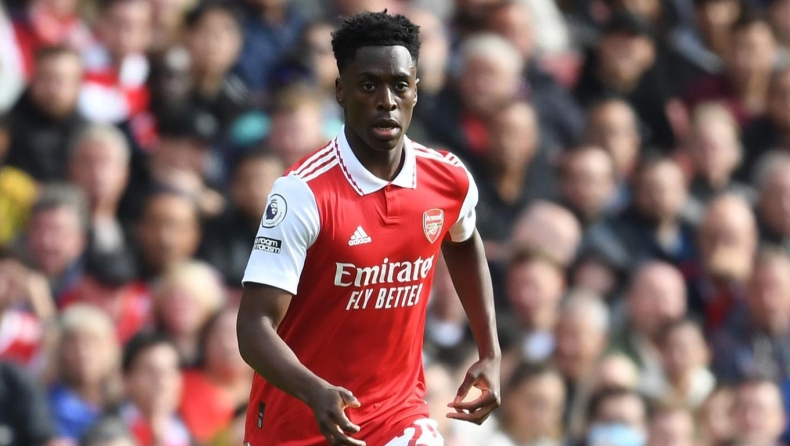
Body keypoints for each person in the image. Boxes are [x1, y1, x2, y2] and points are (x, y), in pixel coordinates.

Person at [237, 11, 500, 446]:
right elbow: (253, 327)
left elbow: (463, 239)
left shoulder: (448, 178)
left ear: (416, 90)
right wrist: (314, 390)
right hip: (297, 423)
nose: (386, 101)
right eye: (368, 85)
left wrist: (490, 350)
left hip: (398, 413)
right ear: (341, 91)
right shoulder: (303, 193)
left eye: (400, 85)